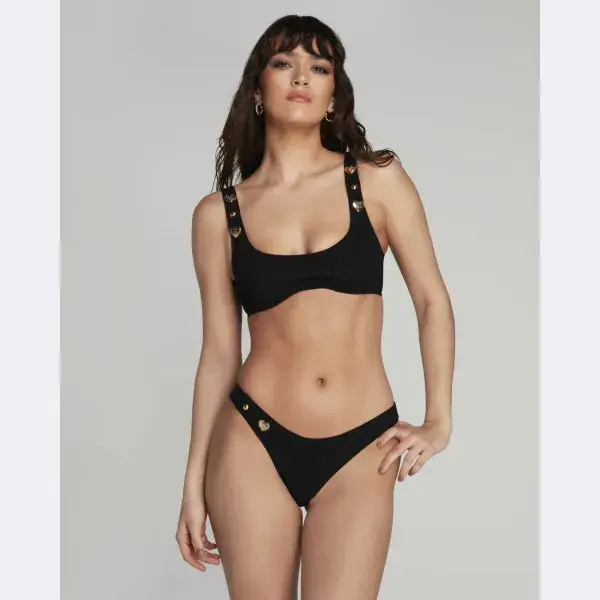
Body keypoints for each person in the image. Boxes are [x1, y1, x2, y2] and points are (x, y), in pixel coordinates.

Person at [176, 14, 455, 600]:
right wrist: (193, 483)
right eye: (284, 63)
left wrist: (438, 420)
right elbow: (219, 353)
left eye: (319, 67)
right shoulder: (217, 215)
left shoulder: (377, 181)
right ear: (258, 88)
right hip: (252, 439)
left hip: (362, 443)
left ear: (333, 94)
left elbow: (431, 299)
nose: (301, 76)